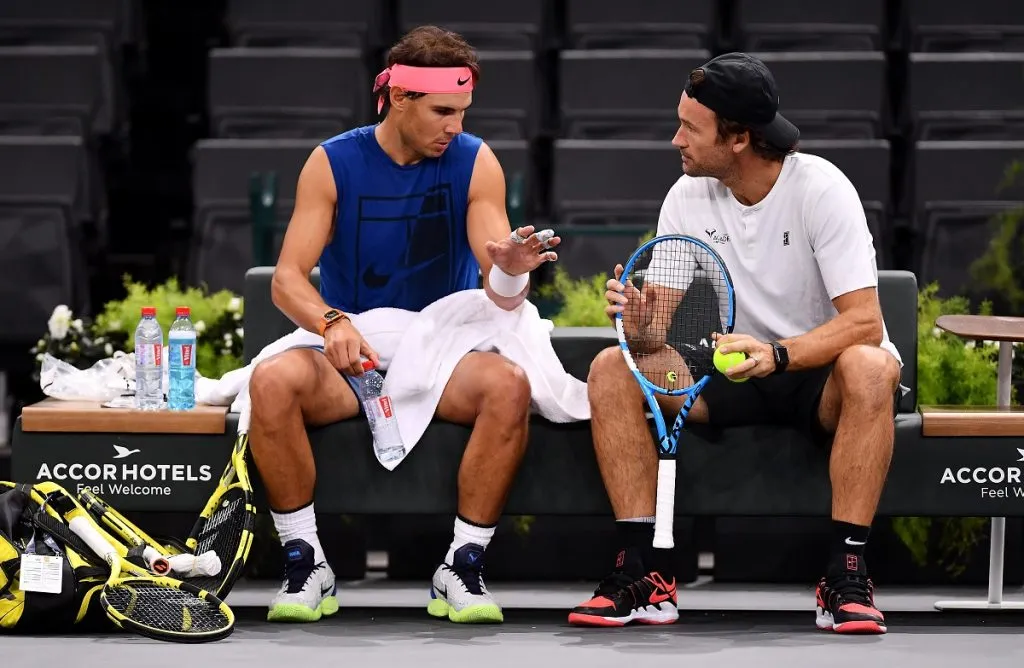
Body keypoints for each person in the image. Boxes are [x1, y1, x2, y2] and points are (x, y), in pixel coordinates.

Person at [569, 52, 902, 634]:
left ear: (740, 138)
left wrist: (777, 356)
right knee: (612, 367)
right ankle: (643, 572)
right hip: (723, 372)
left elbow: (865, 322)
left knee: (872, 366)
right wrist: (640, 321)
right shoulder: (686, 196)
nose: (676, 139)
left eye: (690, 128)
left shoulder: (823, 190)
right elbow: (653, 335)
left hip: (815, 376)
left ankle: (846, 574)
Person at [247, 25, 559, 624]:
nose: (456, 127)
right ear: (396, 99)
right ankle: (306, 560)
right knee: (271, 382)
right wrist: (332, 320)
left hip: (442, 351)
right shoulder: (332, 161)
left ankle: (462, 566)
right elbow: (287, 279)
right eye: (443, 111)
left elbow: (497, 285)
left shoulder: (476, 161)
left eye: (463, 112)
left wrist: (513, 271)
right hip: (351, 349)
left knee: (508, 386)